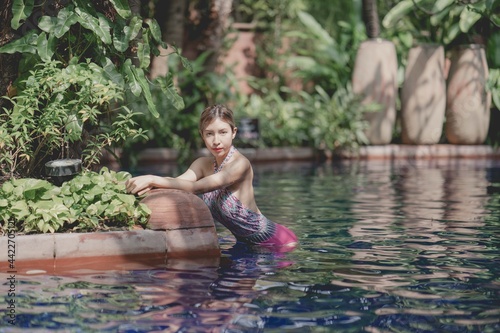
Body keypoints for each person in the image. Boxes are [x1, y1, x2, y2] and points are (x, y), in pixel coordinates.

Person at [125, 104, 298, 249]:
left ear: (234, 132)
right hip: (245, 245)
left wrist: (152, 178)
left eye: (223, 132)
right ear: (202, 136)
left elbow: (196, 187)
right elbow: (179, 184)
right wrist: (148, 187)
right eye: (209, 133)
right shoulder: (202, 164)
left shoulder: (240, 165)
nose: (216, 141)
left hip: (275, 243)